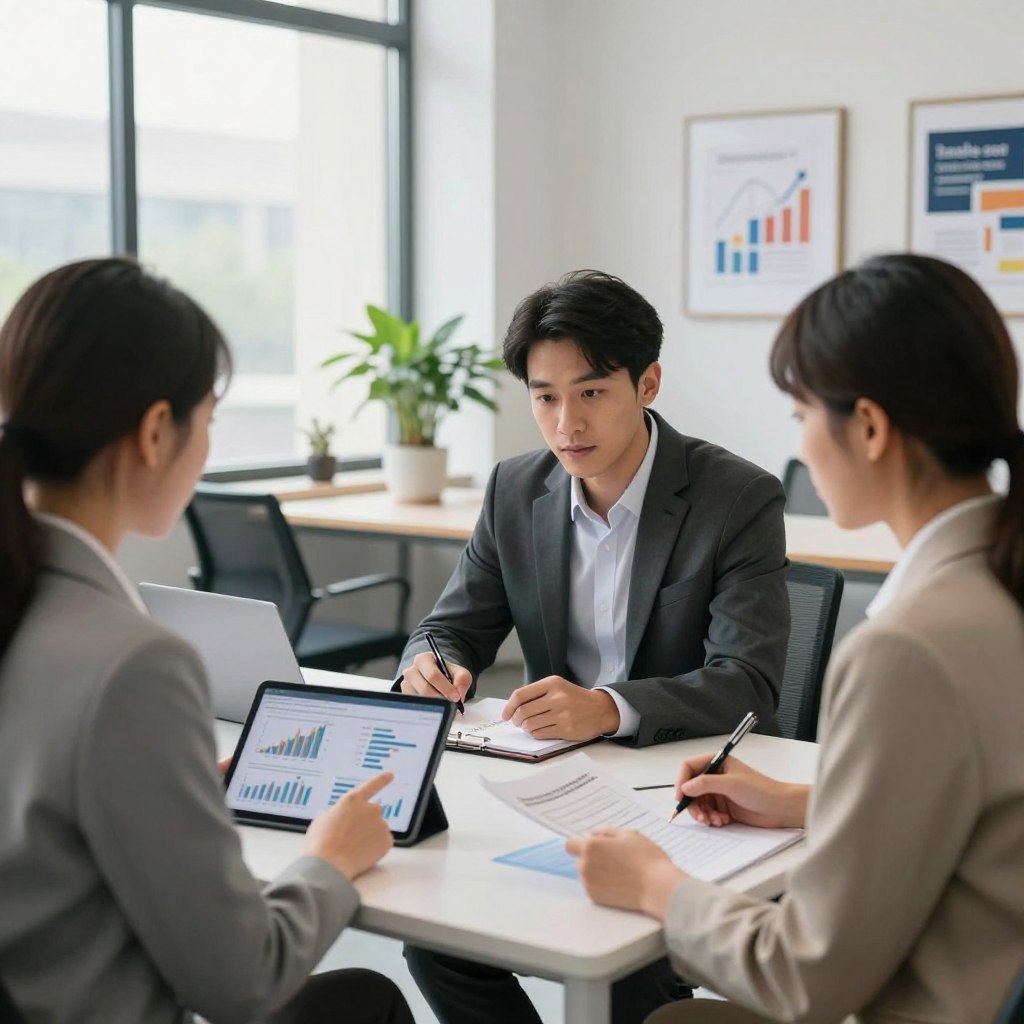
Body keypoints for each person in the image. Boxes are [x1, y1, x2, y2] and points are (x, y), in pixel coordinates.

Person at [566, 253, 1024, 1024]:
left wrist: (655, 885)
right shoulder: (997, 585)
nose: (803, 445)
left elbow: (805, 978)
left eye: (802, 416)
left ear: (870, 427)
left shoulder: (907, 650)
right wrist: (807, 802)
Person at [0, 258, 413, 1024]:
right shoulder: (132, 664)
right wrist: (331, 857)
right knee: (370, 1001)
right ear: (158, 431)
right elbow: (241, 983)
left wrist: (176, 789)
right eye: (210, 420)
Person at [399, 270, 790, 1024]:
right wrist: (431, 660)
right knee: (436, 940)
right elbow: (450, 626)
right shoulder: (516, 490)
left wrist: (609, 708)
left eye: (590, 392)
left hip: (675, 795)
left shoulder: (734, 498)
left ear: (647, 384)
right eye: (544, 396)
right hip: (550, 788)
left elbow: (747, 683)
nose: (565, 423)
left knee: (627, 983)